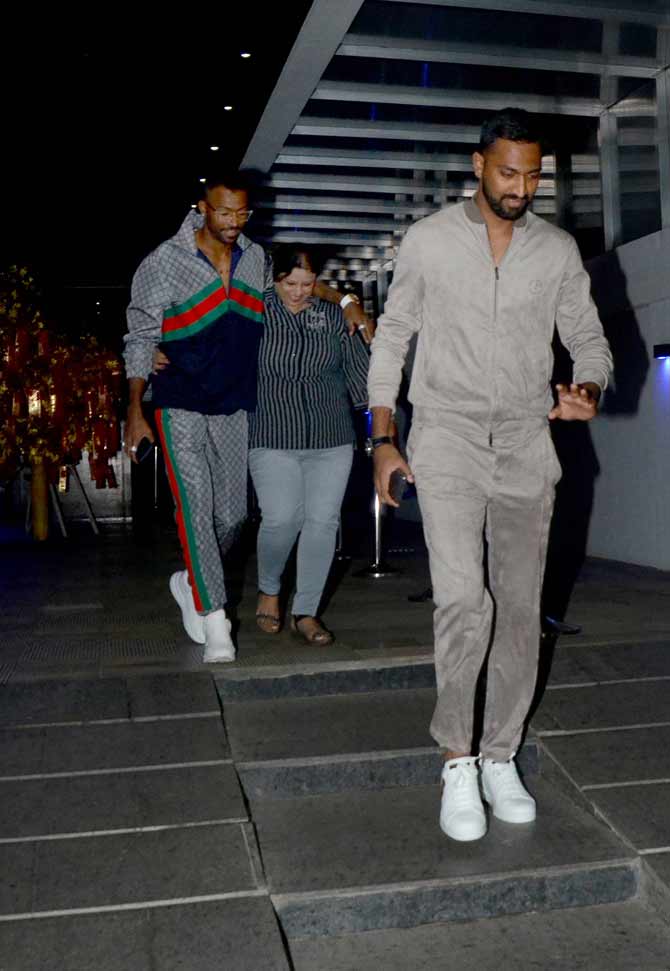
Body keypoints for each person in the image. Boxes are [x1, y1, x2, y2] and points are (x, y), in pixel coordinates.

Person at [368, 108, 612, 842]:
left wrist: (588, 389)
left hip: (525, 443)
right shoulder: (430, 241)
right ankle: (456, 759)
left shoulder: (557, 250)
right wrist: (383, 437)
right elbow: (393, 335)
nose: (522, 186)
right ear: (477, 164)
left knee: (518, 606)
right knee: (463, 599)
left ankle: (501, 752)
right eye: (509, 171)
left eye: (534, 174)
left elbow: (588, 338)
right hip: (443, 436)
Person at [124, 171, 373, 663]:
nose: (233, 222)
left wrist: (345, 302)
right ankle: (216, 620)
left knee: (234, 517)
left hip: (234, 403)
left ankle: (192, 579)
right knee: (195, 507)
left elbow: (299, 286)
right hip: (179, 399)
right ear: (201, 207)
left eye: (241, 213)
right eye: (223, 212)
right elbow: (139, 335)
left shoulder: (256, 259)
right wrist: (135, 408)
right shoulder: (163, 262)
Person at [250, 246, 369, 645]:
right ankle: (270, 589)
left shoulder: (334, 316)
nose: (299, 292)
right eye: (290, 284)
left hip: (331, 436)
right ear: (275, 279)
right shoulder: (255, 312)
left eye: (307, 283)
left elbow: (358, 376)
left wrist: (382, 422)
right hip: (271, 434)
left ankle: (307, 611)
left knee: (322, 523)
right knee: (282, 517)